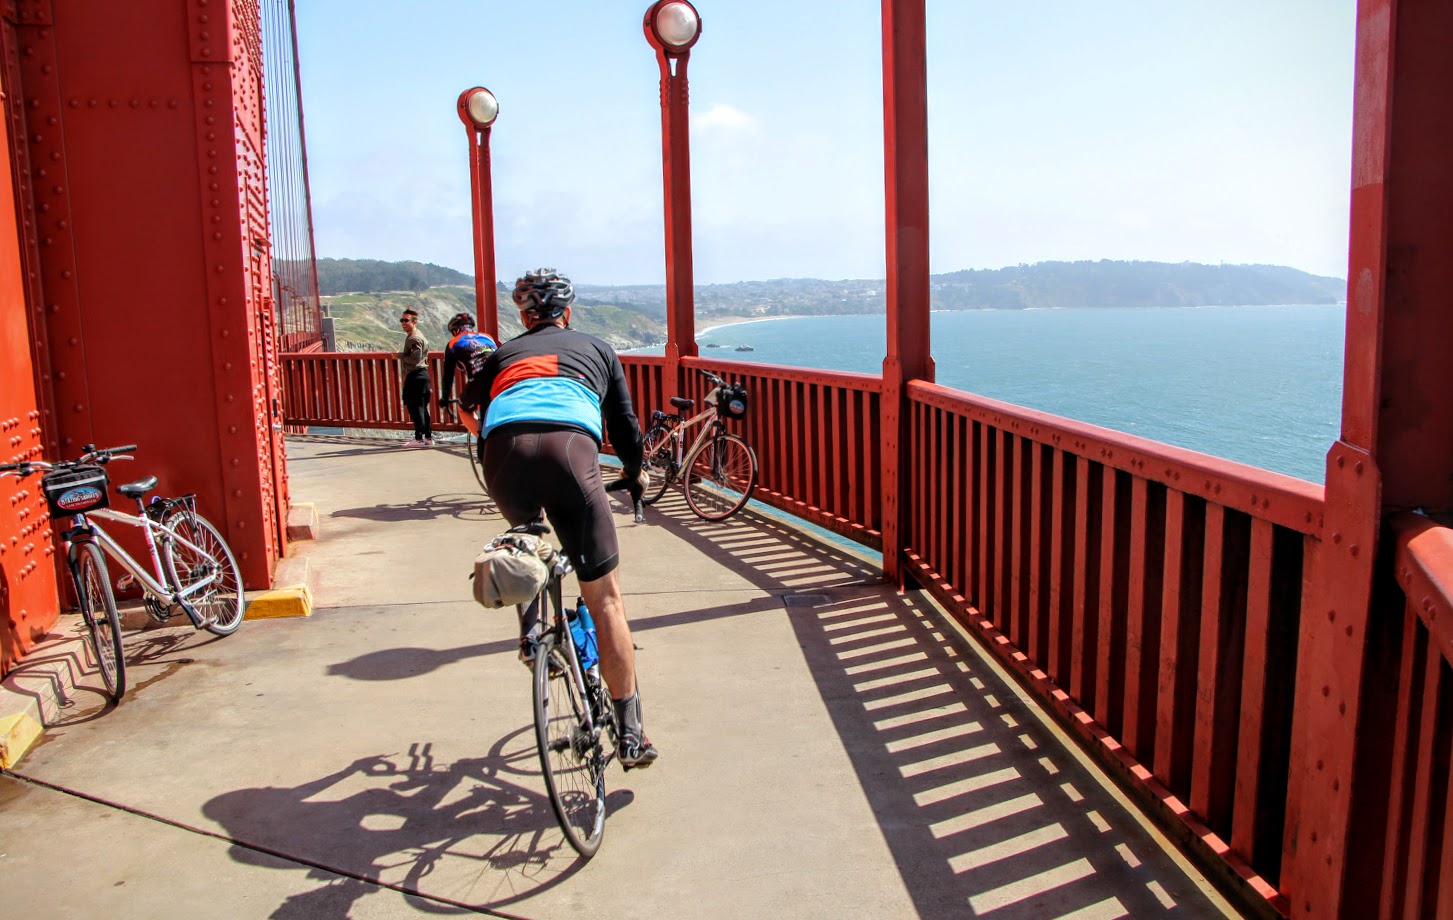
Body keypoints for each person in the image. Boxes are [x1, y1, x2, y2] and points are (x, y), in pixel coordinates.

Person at [460, 268, 657, 769]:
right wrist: (635, 476)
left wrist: (491, 434)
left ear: (523, 317)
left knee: (528, 537)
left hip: (503, 454)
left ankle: (531, 635)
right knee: (606, 600)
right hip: (570, 451)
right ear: (567, 312)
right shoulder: (597, 348)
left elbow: (465, 404)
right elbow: (626, 427)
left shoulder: (504, 353)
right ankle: (631, 736)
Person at [438, 312, 497, 429]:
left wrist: (444, 398)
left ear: (455, 331)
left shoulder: (453, 343)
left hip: (479, 380)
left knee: (464, 409)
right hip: (502, 375)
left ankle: (483, 443)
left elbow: (448, 375)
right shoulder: (487, 337)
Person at [398, 309, 433, 447]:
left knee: (415, 407)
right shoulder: (417, 335)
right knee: (422, 408)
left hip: (416, 376)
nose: (403, 323)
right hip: (422, 376)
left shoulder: (414, 338)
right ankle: (428, 438)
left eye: (406, 320)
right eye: (402, 320)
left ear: (414, 321)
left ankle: (419, 438)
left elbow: (415, 359)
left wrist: (399, 356)